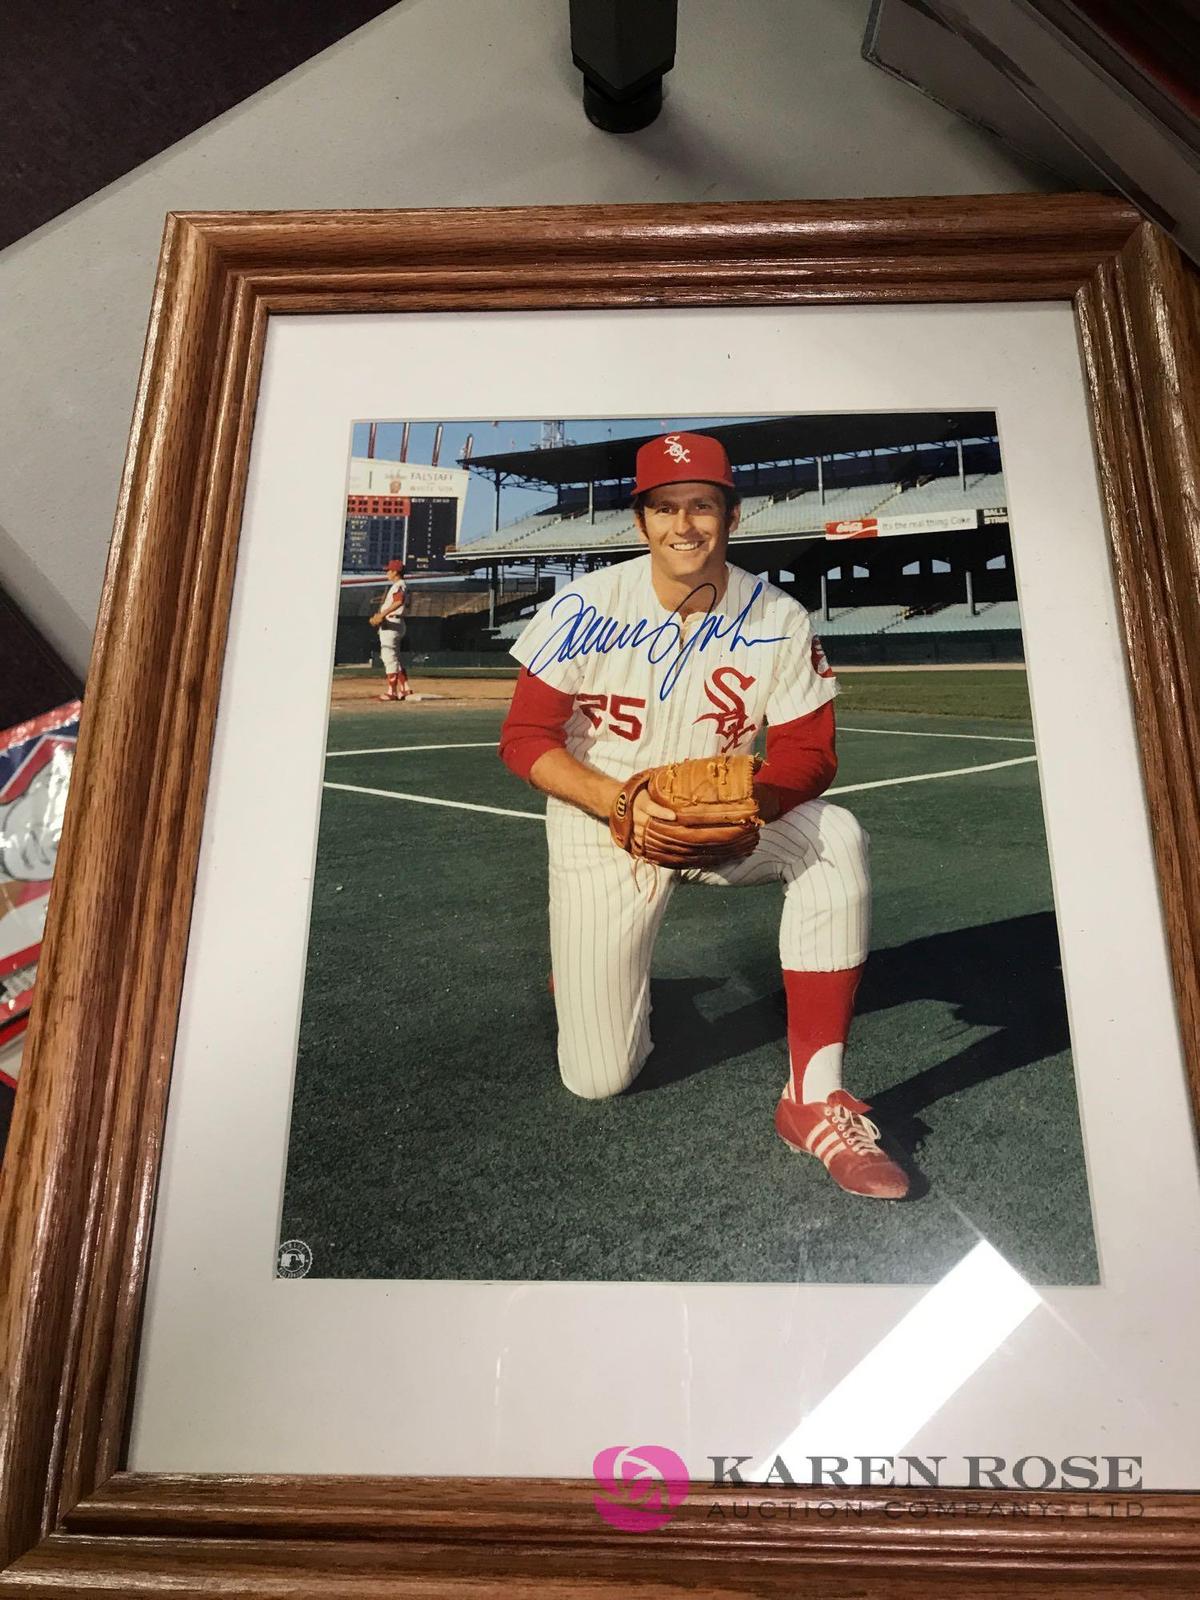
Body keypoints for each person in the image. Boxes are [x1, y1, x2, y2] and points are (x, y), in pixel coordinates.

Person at [498, 431, 908, 1200]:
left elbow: (812, 753)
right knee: (599, 1079)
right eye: (666, 507)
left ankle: (813, 1098)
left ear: (732, 515)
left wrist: (749, 803)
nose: (684, 524)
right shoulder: (585, 605)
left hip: (722, 825)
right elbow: (523, 739)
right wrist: (618, 801)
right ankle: (604, 974)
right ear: (640, 521)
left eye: (702, 505)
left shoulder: (778, 616)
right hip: (603, 823)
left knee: (835, 835)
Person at [370, 559, 411, 702]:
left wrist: (382, 614)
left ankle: (391, 692)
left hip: (392, 622)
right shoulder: (400, 585)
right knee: (396, 657)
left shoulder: (399, 585)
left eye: (389, 570)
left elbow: (398, 601)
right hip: (395, 622)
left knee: (389, 657)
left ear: (395, 572)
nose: (387, 572)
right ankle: (405, 689)